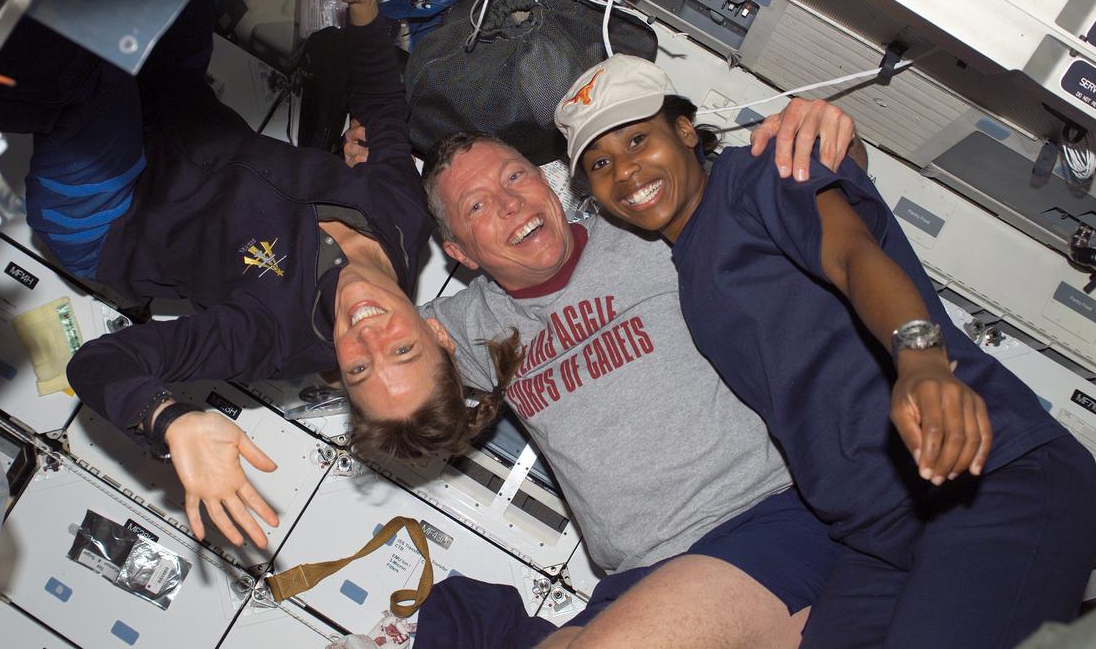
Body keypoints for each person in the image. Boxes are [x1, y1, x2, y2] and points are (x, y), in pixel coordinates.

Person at [555, 54, 1096, 649]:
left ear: (686, 131)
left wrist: (920, 360)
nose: (627, 171)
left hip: (992, 475)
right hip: (876, 533)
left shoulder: (757, 177)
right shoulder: (688, 269)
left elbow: (854, 255)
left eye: (639, 139)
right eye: (600, 163)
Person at [0, 0, 470, 550]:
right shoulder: (403, 223)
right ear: (436, 333)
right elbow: (387, 116)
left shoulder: (268, 338)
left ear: (340, 375)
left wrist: (169, 421)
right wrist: (363, 7)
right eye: (404, 352)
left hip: (113, 213)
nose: (367, 335)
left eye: (361, 367)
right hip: (178, 109)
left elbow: (99, 363)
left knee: (81, 71)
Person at [349, 98, 860, 649]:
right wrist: (363, 197)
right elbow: (341, 338)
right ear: (460, 253)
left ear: (547, 183)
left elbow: (794, 192)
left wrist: (832, 137)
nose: (509, 202)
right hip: (637, 576)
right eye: (476, 207)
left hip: (760, 519)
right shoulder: (468, 324)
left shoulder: (650, 233)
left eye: (516, 175)